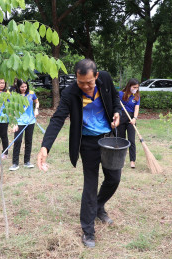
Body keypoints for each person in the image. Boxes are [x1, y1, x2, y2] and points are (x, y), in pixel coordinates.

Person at [37, 59, 122, 248]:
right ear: (76, 77)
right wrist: (45, 147)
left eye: (89, 83)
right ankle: (88, 231)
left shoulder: (106, 80)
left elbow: (115, 100)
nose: (84, 86)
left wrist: (118, 113)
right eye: (80, 82)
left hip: (108, 138)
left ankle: (99, 206)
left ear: (97, 76)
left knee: (114, 178)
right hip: (88, 143)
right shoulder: (70, 93)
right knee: (90, 186)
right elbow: (57, 119)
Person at [9, 80, 39, 171]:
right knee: (17, 141)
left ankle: (27, 161)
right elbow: (11, 109)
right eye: (22, 87)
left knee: (28, 141)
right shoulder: (14, 95)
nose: (24, 89)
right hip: (19, 122)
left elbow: (37, 102)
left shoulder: (31, 93)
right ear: (18, 87)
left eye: (25, 86)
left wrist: (36, 109)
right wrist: (14, 123)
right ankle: (15, 163)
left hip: (30, 121)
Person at [117, 79, 140, 169]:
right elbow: (117, 105)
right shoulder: (121, 94)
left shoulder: (137, 97)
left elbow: (136, 109)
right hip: (121, 117)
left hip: (131, 119)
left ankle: (132, 161)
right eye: (134, 87)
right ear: (129, 86)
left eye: (137, 87)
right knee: (122, 140)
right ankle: (120, 160)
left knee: (131, 140)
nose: (135, 89)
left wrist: (134, 118)